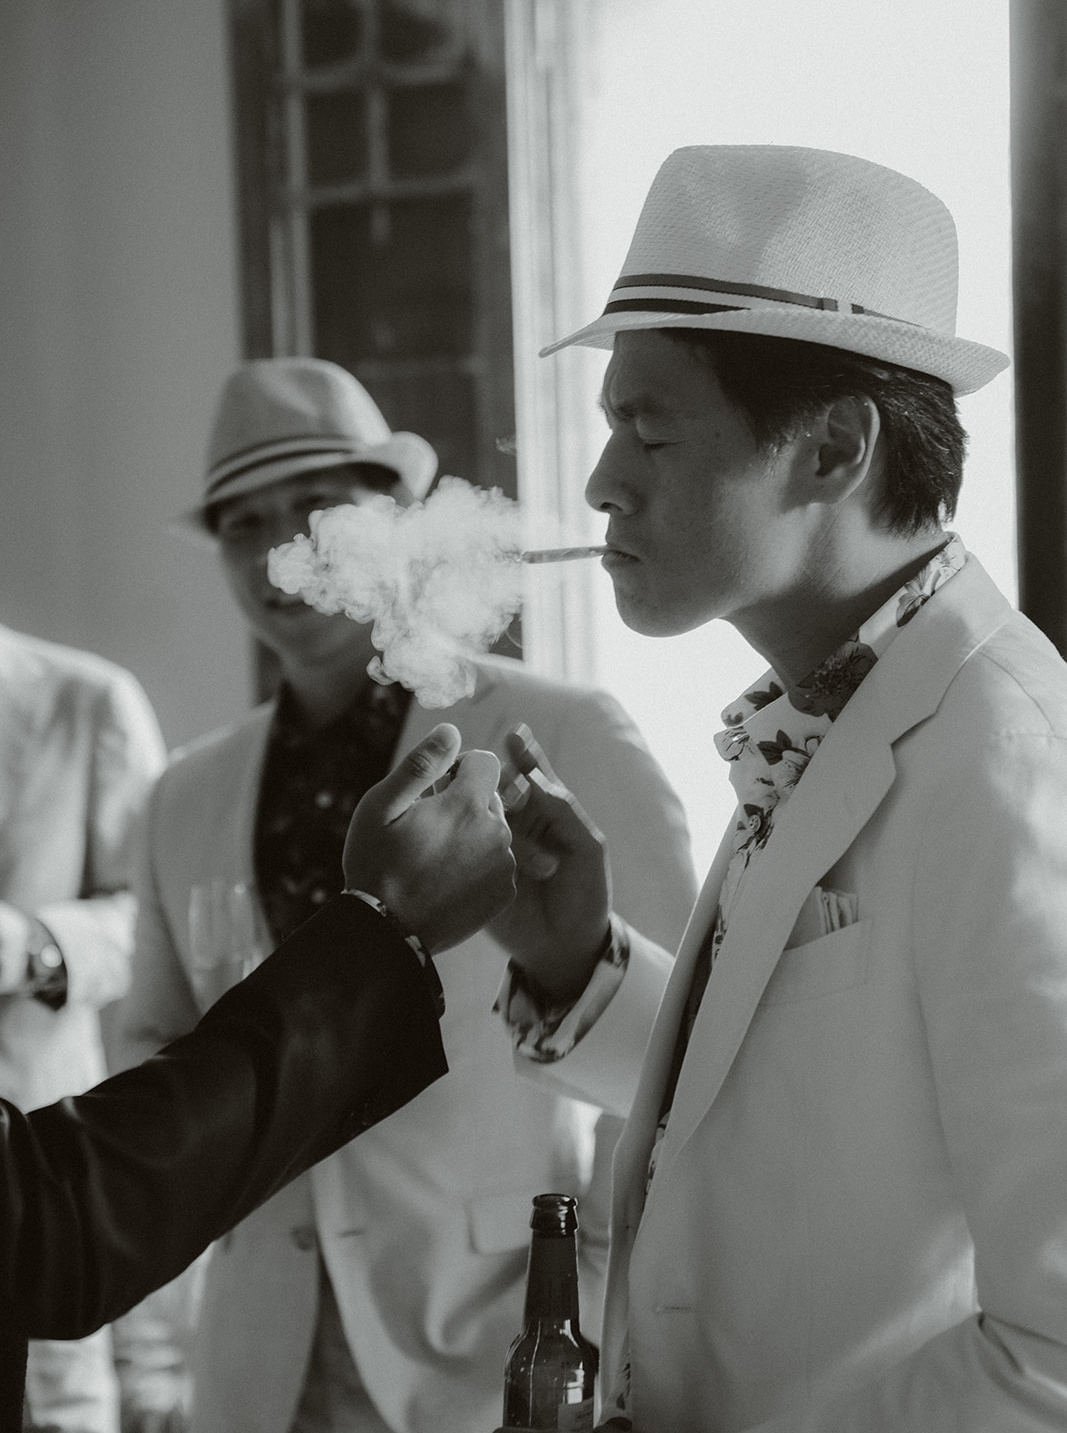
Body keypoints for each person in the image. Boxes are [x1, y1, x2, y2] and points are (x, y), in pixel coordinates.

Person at [490, 144, 1067, 1431]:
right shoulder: (833, 708)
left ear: (831, 448)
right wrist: (577, 959)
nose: (599, 480)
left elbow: (1056, 1351)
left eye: (647, 427)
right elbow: (819, 1118)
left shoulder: (1006, 762)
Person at [115, 357, 695, 1433]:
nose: (275, 547)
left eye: (311, 503)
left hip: (493, 1339)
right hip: (257, 1357)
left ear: (398, 518)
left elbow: (673, 1050)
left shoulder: (562, 731)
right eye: (242, 523)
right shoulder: (185, 793)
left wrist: (596, 1304)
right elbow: (149, 1037)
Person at [2, 721, 514, 1433]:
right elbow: (43, 1219)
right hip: (248, 1345)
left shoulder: (558, 726)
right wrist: (381, 928)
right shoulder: (186, 785)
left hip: (471, 1340)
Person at [0, 621, 167, 1433]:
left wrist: (32, 946)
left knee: (53, 1399)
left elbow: (154, 916)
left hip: (29, 1153)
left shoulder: (87, 700)